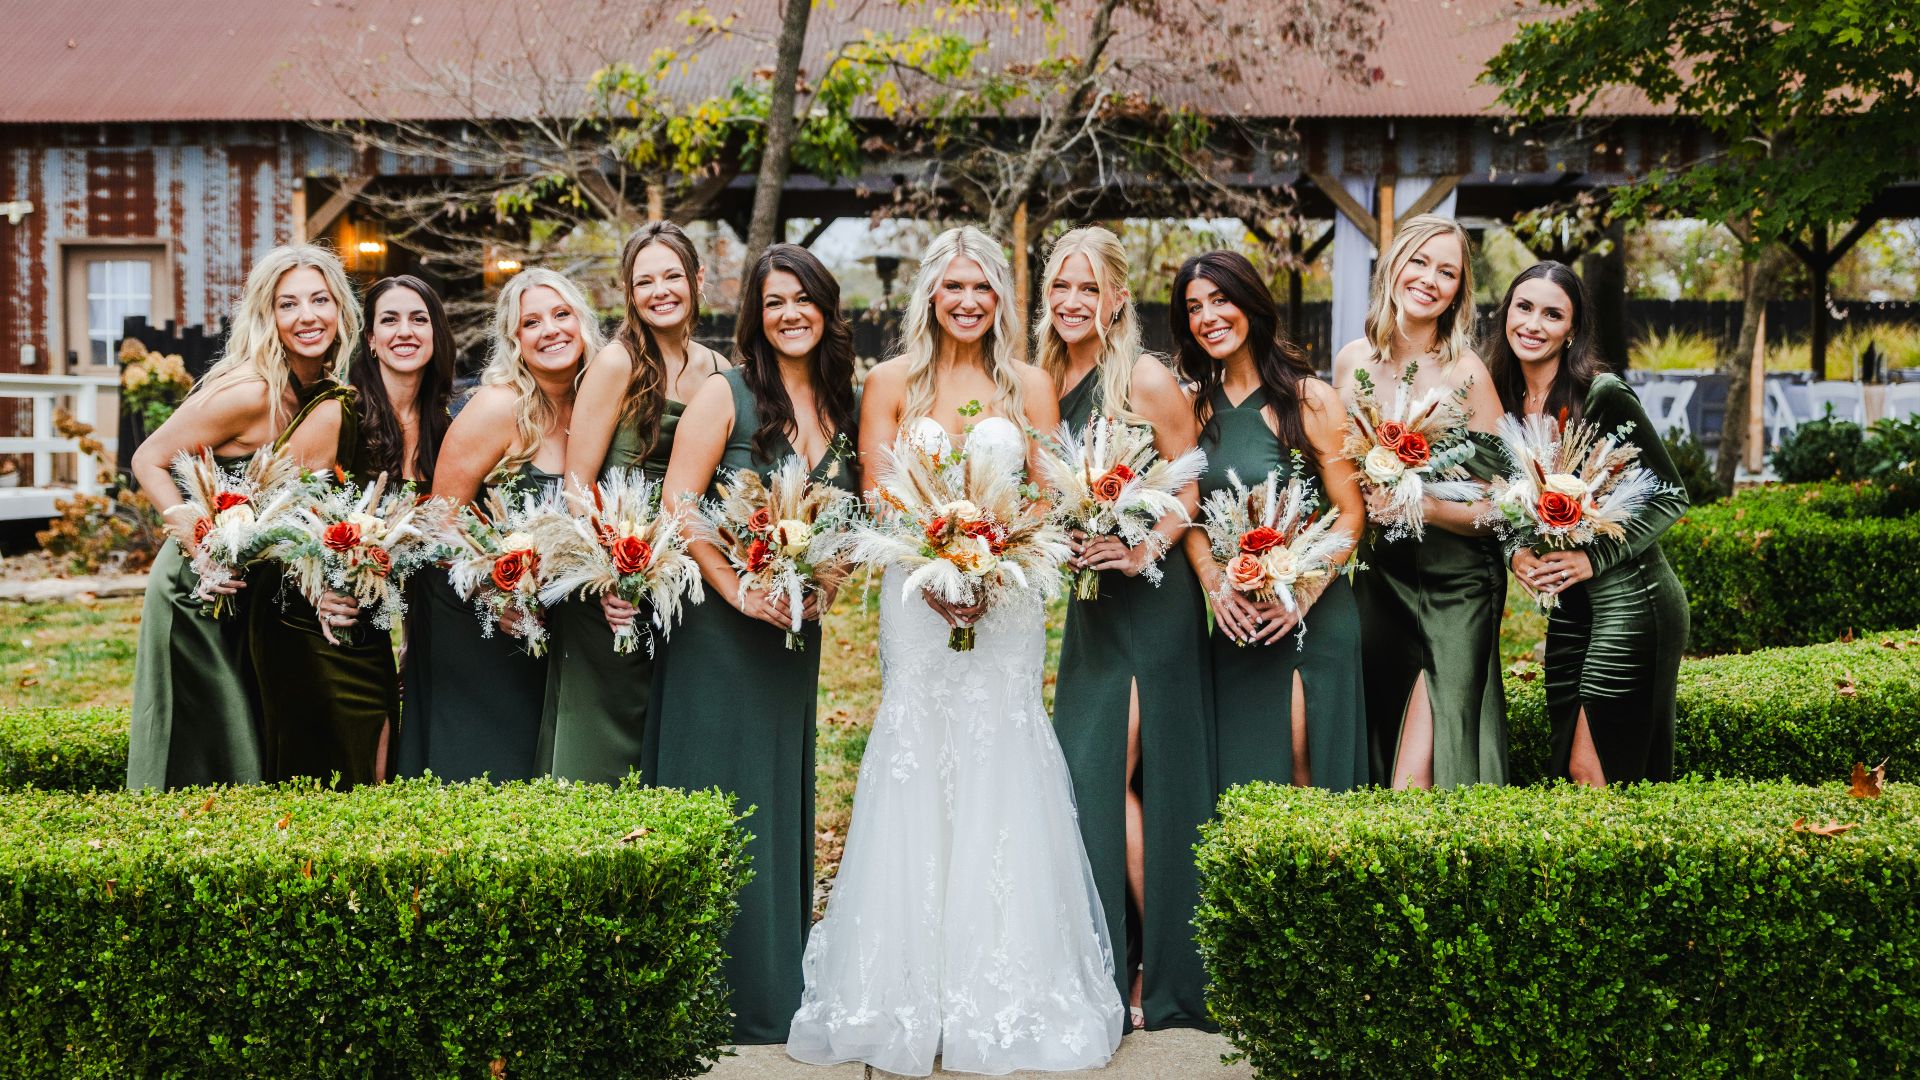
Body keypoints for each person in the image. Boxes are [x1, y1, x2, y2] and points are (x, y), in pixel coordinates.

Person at [788, 225, 1124, 1076]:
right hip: (918, 600)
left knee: (1001, 752)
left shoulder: (1031, 384)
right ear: (929, 297)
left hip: (1005, 608)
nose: (967, 301)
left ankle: (1004, 985)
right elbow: (875, 486)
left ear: (1001, 300)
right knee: (917, 750)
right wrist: (931, 564)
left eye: (982, 288)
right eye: (953, 288)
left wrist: (996, 566)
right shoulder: (891, 382)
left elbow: (1048, 494)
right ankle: (905, 988)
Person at [643, 244, 859, 1044]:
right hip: (717, 631)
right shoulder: (722, 394)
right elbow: (679, 505)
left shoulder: (851, 403)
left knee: (774, 797)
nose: (790, 314)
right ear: (755, 318)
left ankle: (771, 988)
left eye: (803, 299)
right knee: (714, 796)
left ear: (826, 309)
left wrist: (821, 589)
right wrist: (739, 590)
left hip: (792, 637)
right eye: (774, 303)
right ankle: (703, 993)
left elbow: (851, 526)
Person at [1039, 226, 1213, 1030]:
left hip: (1151, 602)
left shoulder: (1142, 377)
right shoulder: (1044, 375)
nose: (1073, 302)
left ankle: (1160, 970)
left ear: (1116, 298)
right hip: (1092, 608)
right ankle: (1106, 958)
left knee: (1122, 775)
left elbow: (1189, 482)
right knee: (1087, 777)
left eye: (1089, 288)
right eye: (1060, 287)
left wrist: (1142, 544)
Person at [126, 244, 360, 790]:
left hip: (258, 592)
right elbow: (148, 459)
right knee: (205, 740)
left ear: (340, 310)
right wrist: (201, 543)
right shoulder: (250, 390)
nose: (308, 317)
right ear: (267, 315)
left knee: (253, 738)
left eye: (320, 300)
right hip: (201, 588)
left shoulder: (325, 391)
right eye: (288, 304)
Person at [1487, 261, 1690, 784]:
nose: (1533, 324)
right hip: (1573, 611)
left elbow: (1669, 494)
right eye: (1524, 307)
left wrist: (1590, 556)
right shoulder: (1498, 400)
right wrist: (1515, 552)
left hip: (1633, 600)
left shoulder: (1602, 395)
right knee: (1567, 765)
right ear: (1507, 311)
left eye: (1552, 314)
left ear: (1571, 330)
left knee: (1594, 769)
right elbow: (1493, 498)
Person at [542, 223, 729, 783]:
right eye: (644, 281)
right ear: (629, 293)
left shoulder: (719, 370)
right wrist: (611, 577)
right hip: (612, 589)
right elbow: (578, 485)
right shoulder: (617, 363)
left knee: (664, 737)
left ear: (697, 281)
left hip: (683, 584)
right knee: (604, 745)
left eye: (672, 275)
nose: (660, 291)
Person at [1175, 251, 1368, 792]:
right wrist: (1216, 586)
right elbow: (1185, 513)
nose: (1207, 317)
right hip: (1237, 622)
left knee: (1308, 780)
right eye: (1194, 307)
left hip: (1311, 618)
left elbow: (1351, 513)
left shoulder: (1311, 400)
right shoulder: (1190, 410)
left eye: (1220, 300)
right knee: (1243, 788)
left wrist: (1303, 594)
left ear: (1252, 304)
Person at [395, 268, 599, 782]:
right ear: (515, 341)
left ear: (582, 321)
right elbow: (440, 522)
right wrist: (497, 595)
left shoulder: (598, 404)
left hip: (560, 625)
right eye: (532, 322)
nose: (550, 329)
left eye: (561, 314)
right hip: (479, 621)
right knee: (492, 770)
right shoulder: (497, 406)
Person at [1332, 214, 1510, 789]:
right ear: (1394, 266)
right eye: (1420, 262)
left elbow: (1507, 505)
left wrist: (1425, 507)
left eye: (1448, 272)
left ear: (1460, 291)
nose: (1430, 280)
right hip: (1380, 582)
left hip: (1457, 584)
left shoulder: (1467, 374)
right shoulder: (1351, 361)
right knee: (1385, 729)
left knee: (1426, 761)